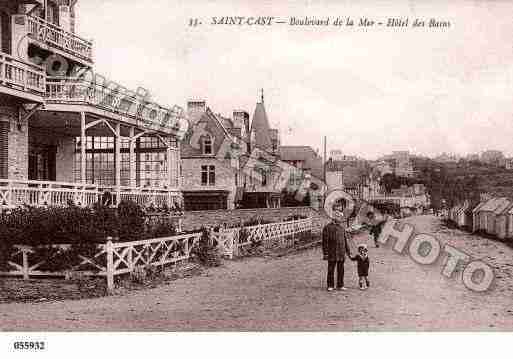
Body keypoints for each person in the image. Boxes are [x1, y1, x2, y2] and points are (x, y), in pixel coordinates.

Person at [322, 217, 351, 291]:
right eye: (339, 218)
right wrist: (325, 253)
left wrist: (348, 251)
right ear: (335, 218)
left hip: (341, 252)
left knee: (341, 269)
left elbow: (345, 240)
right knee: (331, 269)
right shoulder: (327, 227)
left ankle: (340, 285)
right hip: (332, 252)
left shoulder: (342, 228)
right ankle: (330, 285)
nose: (341, 220)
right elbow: (325, 242)